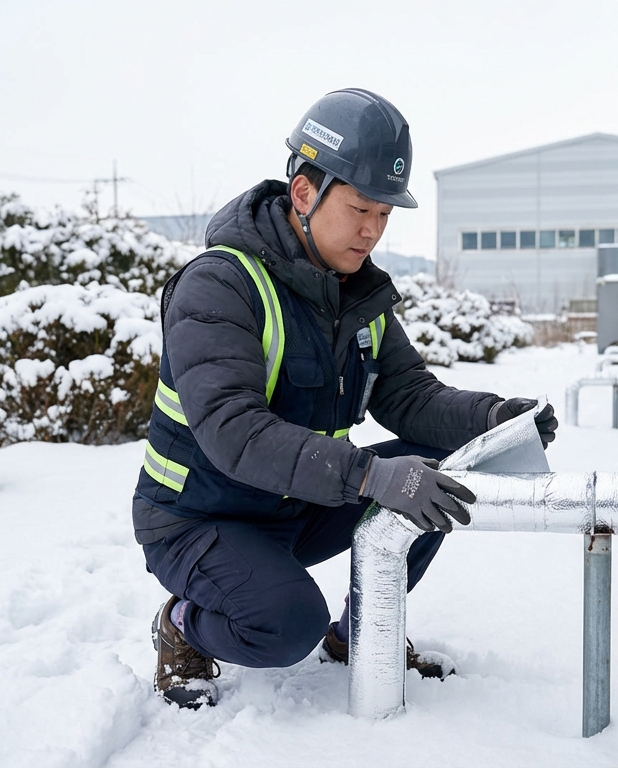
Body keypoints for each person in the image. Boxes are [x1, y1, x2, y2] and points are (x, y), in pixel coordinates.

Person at [133, 88, 559, 709]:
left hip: (293, 507)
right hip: (198, 520)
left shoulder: (356, 297)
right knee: (285, 625)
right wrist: (368, 475)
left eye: (385, 215)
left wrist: (494, 418)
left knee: (437, 472)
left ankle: (364, 632)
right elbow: (234, 431)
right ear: (304, 193)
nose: (372, 230)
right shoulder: (220, 285)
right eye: (360, 208)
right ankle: (181, 626)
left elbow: (410, 397)